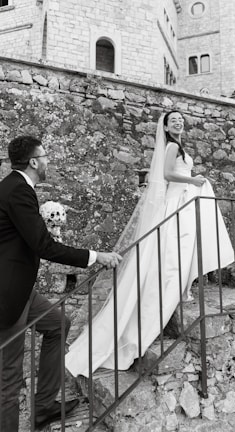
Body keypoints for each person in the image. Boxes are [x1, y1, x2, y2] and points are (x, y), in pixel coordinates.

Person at [65, 111, 234, 376]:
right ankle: (169, 291)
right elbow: (166, 175)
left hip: (183, 202)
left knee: (180, 249)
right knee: (173, 250)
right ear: (165, 126)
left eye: (180, 119)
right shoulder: (171, 146)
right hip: (175, 203)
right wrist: (193, 180)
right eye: (173, 120)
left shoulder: (180, 146)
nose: (178, 122)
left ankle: (180, 288)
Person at [0, 135, 122, 432]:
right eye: (45, 156)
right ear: (33, 161)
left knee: (58, 324)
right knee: (10, 378)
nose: (48, 161)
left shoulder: (14, 187)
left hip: (21, 288)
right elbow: (43, 246)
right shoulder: (17, 191)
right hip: (8, 293)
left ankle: (43, 407)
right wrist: (97, 256)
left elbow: (25, 238)